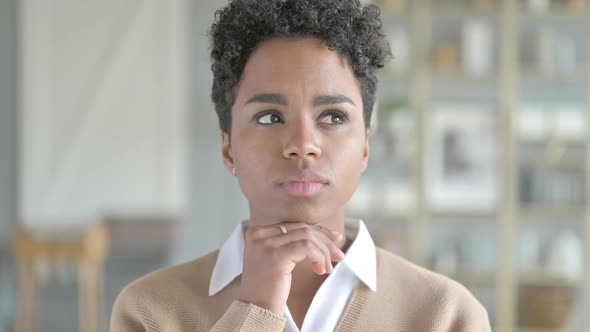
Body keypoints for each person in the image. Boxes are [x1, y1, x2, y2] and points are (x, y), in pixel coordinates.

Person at [111, 0, 492, 331]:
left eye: (333, 117)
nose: (303, 146)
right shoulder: (150, 312)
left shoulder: (445, 316)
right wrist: (255, 313)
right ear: (228, 149)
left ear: (364, 148)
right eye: (269, 118)